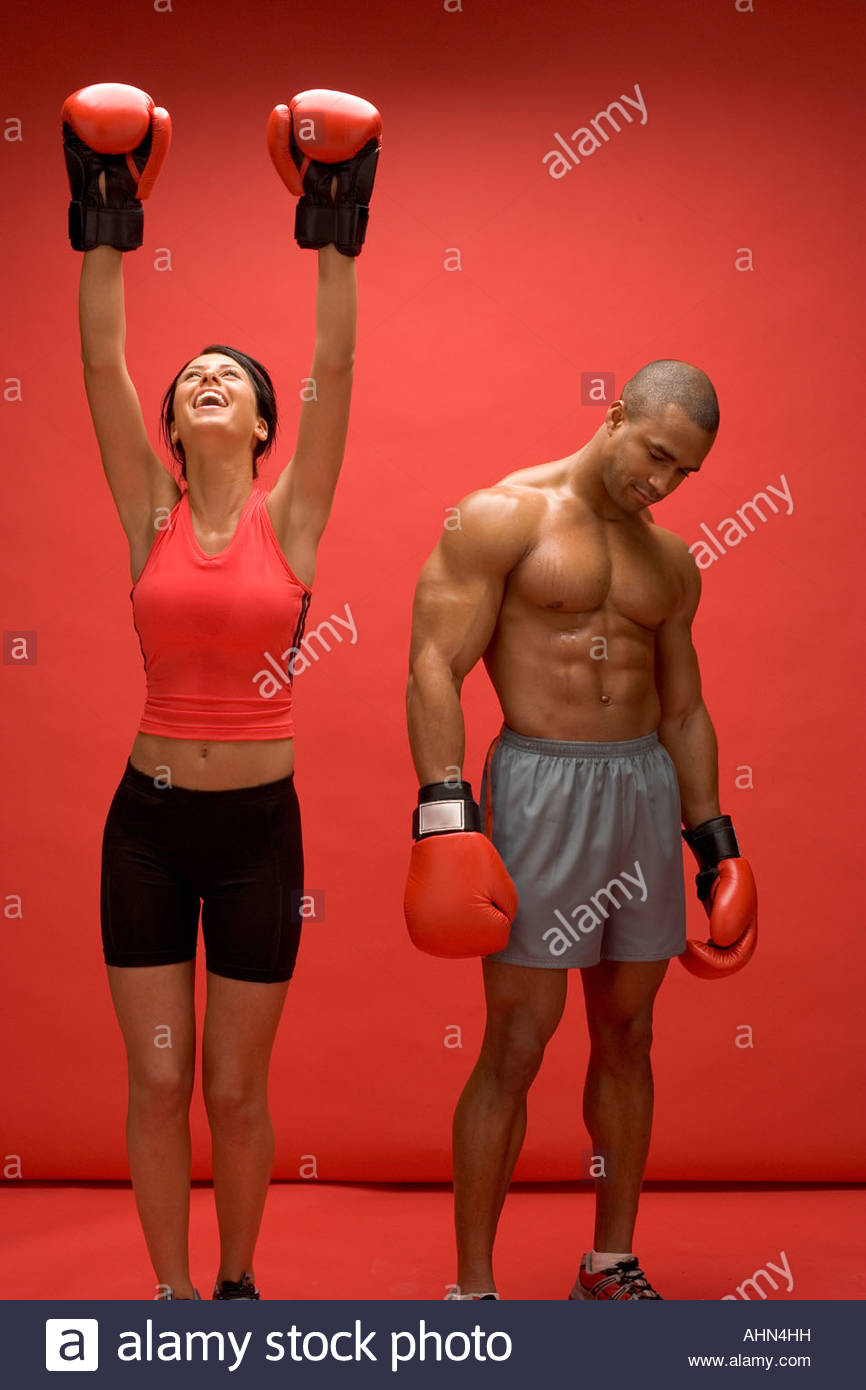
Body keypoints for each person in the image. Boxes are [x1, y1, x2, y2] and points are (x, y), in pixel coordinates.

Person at [63, 81, 381, 1300]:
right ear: (176, 417)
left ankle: (238, 1286)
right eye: (189, 373)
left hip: (259, 834)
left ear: (259, 424)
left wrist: (333, 220)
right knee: (156, 1080)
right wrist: (105, 216)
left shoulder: (290, 518)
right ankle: (169, 1298)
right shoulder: (146, 508)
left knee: (236, 1088)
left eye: (226, 377)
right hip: (143, 828)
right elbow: (99, 355)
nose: (203, 380)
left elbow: (335, 363)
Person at [404, 359, 757, 1300]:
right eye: (655, 454)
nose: (663, 481)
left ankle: (610, 1262)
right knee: (518, 1042)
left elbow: (683, 710)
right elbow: (434, 664)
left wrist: (714, 842)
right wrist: (445, 819)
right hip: (539, 789)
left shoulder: (670, 560)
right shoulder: (501, 516)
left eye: (684, 472)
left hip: (639, 787)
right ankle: (471, 1290)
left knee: (630, 1033)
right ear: (615, 416)